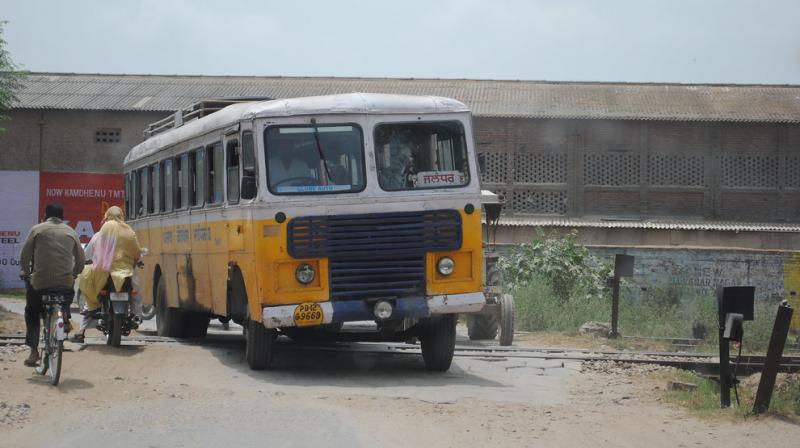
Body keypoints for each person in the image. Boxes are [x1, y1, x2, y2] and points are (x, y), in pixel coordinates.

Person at [19, 203, 85, 366]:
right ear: (62, 218)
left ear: (45, 215)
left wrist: (27, 273)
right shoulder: (71, 232)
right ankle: (65, 316)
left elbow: (24, 255)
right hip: (64, 282)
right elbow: (81, 260)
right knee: (66, 296)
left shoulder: (37, 230)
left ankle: (34, 352)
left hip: (40, 282)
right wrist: (74, 273)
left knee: (32, 312)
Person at [71, 206, 141, 343]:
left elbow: (88, 254)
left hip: (103, 272)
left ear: (107, 217)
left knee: (90, 291)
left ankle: (81, 331)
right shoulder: (129, 231)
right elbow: (136, 252)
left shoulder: (101, 232)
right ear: (121, 216)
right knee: (136, 290)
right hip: (125, 273)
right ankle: (137, 315)